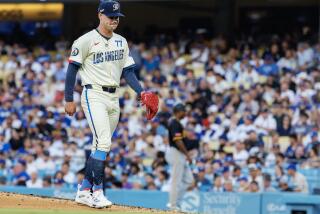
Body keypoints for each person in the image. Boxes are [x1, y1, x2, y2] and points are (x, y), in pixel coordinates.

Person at [64, 0, 150, 208]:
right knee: (103, 143)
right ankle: (97, 192)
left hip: (114, 96)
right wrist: (68, 99)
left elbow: (128, 71)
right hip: (93, 94)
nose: (115, 20)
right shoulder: (85, 41)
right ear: (100, 15)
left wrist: (141, 91)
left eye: (117, 17)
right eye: (111, 16)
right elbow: (72, 70)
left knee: (99, 145)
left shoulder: (121, 41)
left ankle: (84, 190)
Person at [165, 103, 194, 210]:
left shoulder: (176, 123)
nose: (185, 113)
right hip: (176, 152)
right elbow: (178, 141)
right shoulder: (174, 123)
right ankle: (173, 205)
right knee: (176, 180)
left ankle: (176, 202)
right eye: (183, 111)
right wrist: (187, 155)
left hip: (179, 153)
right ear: (178, 111)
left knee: (189, 180)